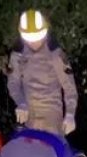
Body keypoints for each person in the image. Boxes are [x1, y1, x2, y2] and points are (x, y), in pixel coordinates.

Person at [8, 9, 78, 137]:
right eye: (29, 38)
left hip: (53, 119)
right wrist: (21, 102)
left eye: (37, 37)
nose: (33, 42)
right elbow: (13, 83)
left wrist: (70, 114)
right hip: (28, 117)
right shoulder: (17, 54)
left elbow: (69, 88)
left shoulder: (55, 54)